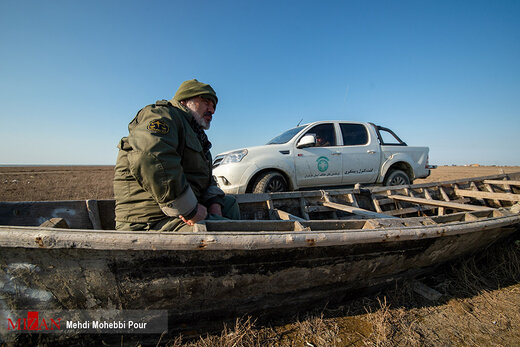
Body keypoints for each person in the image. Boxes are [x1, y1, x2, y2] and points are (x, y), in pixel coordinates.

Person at [113, 79, 240, 231]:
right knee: (223, 232)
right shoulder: (163, 115)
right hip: (151, 219)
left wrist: (214, 203)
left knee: (230, 204)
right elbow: (151, 157)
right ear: (185, 100)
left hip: (178, 212)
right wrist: (190, 209)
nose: (212, 110)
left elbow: (206, 178)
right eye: (206, 102)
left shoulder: (196, 135)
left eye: (213, 106)